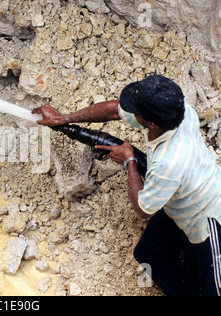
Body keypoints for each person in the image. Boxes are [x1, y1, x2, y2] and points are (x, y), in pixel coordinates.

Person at [32, 75, 221, 296]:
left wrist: (130, 162)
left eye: (135, 110)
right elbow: (114, 110)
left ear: (150, 122)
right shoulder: (178, 111)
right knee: (149, 254)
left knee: (213, 287)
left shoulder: (169, 163)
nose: (129, 111)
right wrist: (64, 118)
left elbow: (142, 209)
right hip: (179, 199)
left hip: (208, 218)